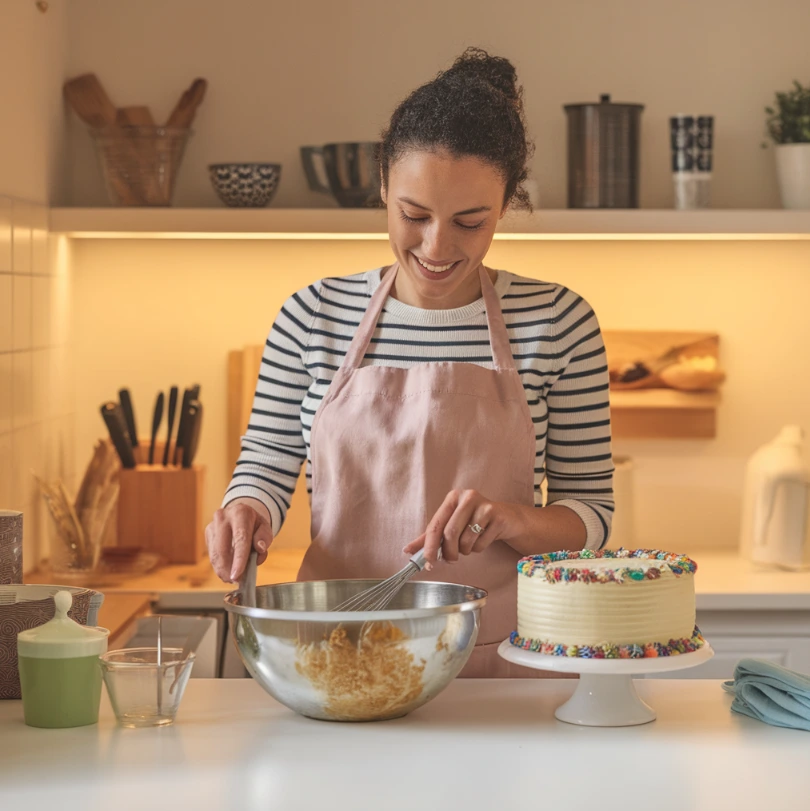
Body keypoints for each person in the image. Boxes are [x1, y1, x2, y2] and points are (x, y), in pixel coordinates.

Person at [206, 47, 614, 677]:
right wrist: (246, 510)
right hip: (335, 646)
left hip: (497, 658)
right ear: (382, 189)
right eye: (414, 215)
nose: (437, 246)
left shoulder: (558, 322)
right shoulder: (312, 314)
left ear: (505, 205)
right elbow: (266, 461)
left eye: (470, 222)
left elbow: (591, 519)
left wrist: (513, 519)